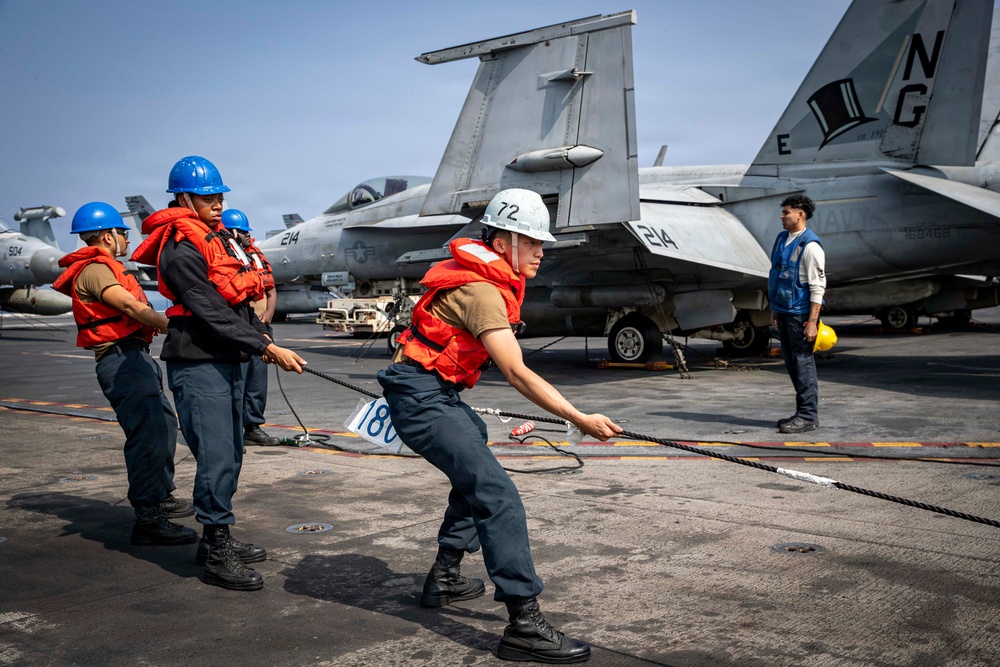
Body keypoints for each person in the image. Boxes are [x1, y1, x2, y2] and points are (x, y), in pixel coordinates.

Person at [377, 188, 621, 664]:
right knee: (499, 497)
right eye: (532, 242)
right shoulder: (483, 291)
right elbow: (516, 372)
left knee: (476, 450)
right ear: (504, 241)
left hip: (431, 394)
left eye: (541, 243)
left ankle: (445, 575)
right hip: (422, 399)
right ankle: (524, 625)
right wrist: (578, 418)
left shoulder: (483, 281)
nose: (540, 251)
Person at [131, 156, 306, 592]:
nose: (217, 204)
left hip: (227, 357)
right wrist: (266, 346)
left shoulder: (221, 241)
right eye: (207, 197)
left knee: (231, 451)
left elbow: (239, 302)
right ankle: (215, 551)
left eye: (220, 196)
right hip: (198, 361)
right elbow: (208, 309)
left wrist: (260, 338)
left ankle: (215, 538)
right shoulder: (179, 248)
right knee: (215, 455)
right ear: (183, 199)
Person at [52, 202, 196, 546]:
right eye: (124, 233)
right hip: (122, 361)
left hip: (133, 356)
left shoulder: (105, 267)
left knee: (163, 425)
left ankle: (159, 495)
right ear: (107, 236)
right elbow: (130, 305)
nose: (128, 240)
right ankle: (148, 519)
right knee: (147, 434)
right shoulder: (95, 270)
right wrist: (175, 327)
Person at [221, 209, 281, 448]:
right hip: (238, 331)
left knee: (257, 382)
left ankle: (252, 427)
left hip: (260, 330)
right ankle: (233, 433)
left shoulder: (255, 256)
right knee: (237, 382)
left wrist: (268, 315)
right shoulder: (224, 255)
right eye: (243, 232)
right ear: (231, 233)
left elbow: (270, 289)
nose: (249, 236)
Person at [768, 194, 826, 434]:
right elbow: (778, 274)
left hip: (800, 315)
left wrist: (812, 323)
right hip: (783, 311)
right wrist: (774, 309)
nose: (781, 216)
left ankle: (808, 416)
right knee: (792, 364)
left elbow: (818, 287)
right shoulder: (782, 239)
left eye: (786, 212)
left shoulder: (811, 246)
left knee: (803, 365)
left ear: (800, 214)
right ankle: (801, 413)